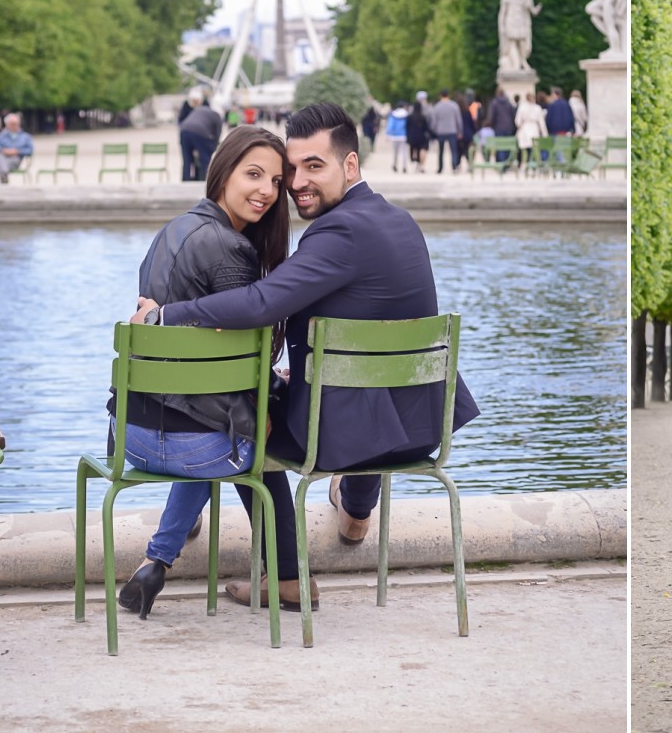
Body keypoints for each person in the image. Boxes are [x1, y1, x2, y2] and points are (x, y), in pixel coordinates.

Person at [132, 103, 481, 610]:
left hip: (347, 434)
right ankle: (355, 507)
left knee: (243, 417)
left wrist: (167, 315)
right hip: (418, 423)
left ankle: (287, 577)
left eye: (313, 166)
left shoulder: (337, 233)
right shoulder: (400, 220)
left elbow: (261, 302)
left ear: (351, 165)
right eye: (292, 169)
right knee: (321, 387)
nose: (296, 183)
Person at [113, 126, 291, 619]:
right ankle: (289, 575)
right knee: (253, 438)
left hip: (132, 433)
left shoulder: (166, 232)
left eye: (276, 182)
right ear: (222, 172)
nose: (266, 191)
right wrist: (276, 385)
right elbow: (243, 365)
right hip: (194, 446)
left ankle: (157, 562)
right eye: (253, 174)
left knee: (209, 418)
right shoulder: (232, 248)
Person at [497, 0, 541, 71]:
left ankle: (523, 62)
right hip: (510, 22)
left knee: (522, 43)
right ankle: (516, 64)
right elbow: (502, 13)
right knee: (512, 43)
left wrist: (537, 8)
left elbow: (532, 11)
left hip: (522, 22)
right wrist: (502, 26)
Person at [178, 91, 222, 182]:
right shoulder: (217, 117)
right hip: (200, 132)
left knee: (187, 159)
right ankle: (206, 180)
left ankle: (186, 180)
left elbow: (184, 121)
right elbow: (216, 135)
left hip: (184, 131)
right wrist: (213, 148)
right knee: (205, 158)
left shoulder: (199, 110)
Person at [0, 112, 34, 182]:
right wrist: (3, 150)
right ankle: (4, 173)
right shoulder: (0, 136)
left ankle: (3, 174)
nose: (14, 126)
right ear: (7, 125)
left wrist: (17, 151)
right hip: (2, 156)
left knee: (1, 163)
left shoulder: (25, 137)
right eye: (12, 124)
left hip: (16, 158)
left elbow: (30, 150)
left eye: (16, 124)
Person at [428, 89, 462, 174]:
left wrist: (434, 130)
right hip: (452, 130)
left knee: (440, 151)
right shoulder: (454, 105)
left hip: (441, 131)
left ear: (440, 95)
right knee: (453, 150)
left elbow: (434, 121)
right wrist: (460, 131)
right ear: (448, 95)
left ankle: (440, 168)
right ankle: (454, 166)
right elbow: (458, 120)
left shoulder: (437, 106)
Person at [515, 91, 547, 170]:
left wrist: (520, 126)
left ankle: (525, 163)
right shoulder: (537, 108)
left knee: (525, 149)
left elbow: (517, 121)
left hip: (525, 129)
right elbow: (541, 123)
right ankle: (535, 164)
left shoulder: (522, 107)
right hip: (534, 129)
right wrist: (544, 134)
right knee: (535, 148)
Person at [407, 98, 429, 172]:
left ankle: (414, 161)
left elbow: (407, 127)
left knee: (413, 149)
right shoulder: (422, 117)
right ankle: (420, 164)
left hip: (412, 136)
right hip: (421, 136)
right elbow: (426, 128)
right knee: (421, 150)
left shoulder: (410, 117)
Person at [386, 101, 409, 172]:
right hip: (404, 136)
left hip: (395, 136)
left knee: (395, 152)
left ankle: (395, 165)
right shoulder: (406, 114)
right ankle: (404, 166)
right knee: (404, 152)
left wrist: (388, 134)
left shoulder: (393, 114)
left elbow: (390, 126)